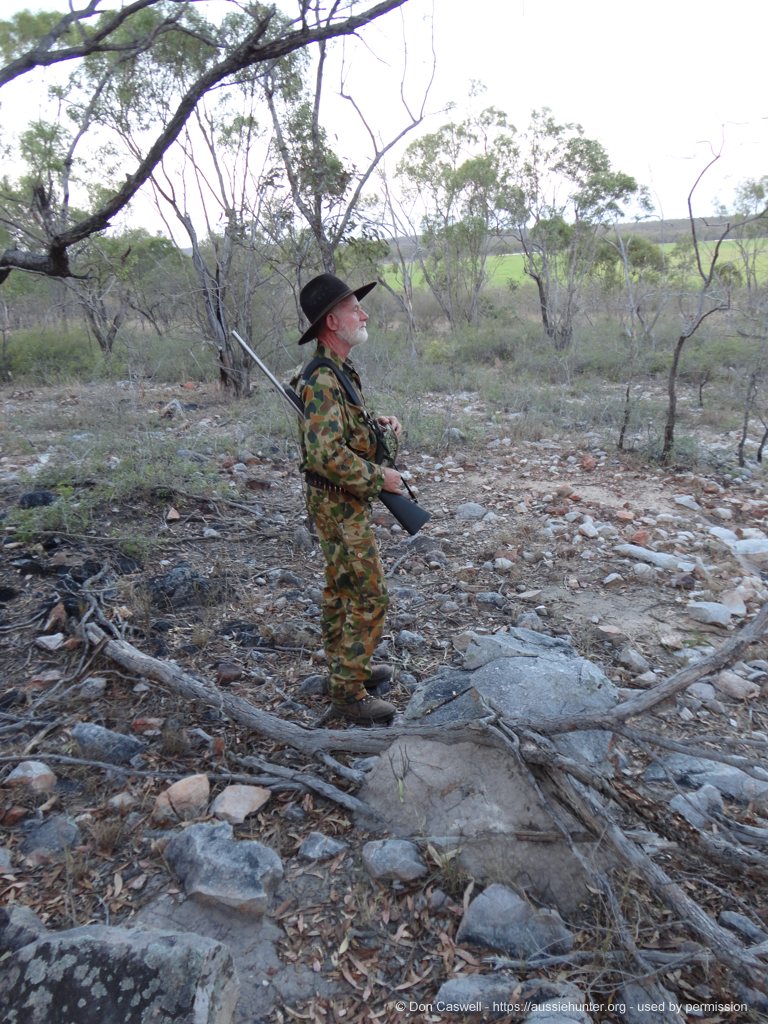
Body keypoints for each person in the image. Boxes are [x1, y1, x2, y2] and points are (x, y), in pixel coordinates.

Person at [293, 273, 404, 724]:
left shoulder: (339, 372)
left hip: (341, 501)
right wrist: (381, 479)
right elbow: (323, 454)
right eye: (354, 307)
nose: (364, 313)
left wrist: (377, 429)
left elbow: (340, 436)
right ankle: (348, 694)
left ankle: (346, 669)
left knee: (341, 590)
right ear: (332, 322)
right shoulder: (321, 380)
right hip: (339, 503)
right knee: (369, 595)